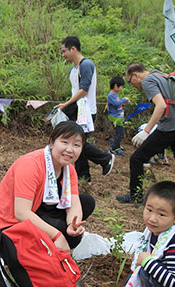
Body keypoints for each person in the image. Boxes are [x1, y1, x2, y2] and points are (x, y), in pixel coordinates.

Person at [0, 121, 95, 252]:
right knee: (63, 234)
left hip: (42, 210)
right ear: (51, 142)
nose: (70, 149)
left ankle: (50, 245)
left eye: (76, 145)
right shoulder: (31, 164)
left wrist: (72, 225)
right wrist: (58, 235)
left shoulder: (69, 170)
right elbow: (21, 212)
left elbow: (73, 204)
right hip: (14, 220)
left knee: (86, 203)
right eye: (64, 142)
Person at [116, 63, 175, 215]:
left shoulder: (148, 81)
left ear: (135, 75)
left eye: (130, 81)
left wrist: (146, 131)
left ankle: (136, 196)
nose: (132, 85)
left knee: (137, 158)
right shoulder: (161, 75)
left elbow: (160, 106)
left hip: (170, 127)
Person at [56, 36, 114, 183]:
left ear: (73, 49)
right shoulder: (73, 69)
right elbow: (76, 91)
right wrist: (67, 105)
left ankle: (105, 158)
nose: (63, 55)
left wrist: (66, 104)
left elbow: (84, 90)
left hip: (86, 113)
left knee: (77, 143)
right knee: (76, 143)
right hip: (77, 111)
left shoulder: (86, 65)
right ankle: (83, 178)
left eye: (64, 51)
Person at [107, 76, 130, 156]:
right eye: (121, 86)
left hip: (119, 118)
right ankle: (113, 149)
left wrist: (124, 103)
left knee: (120, 133)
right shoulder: (111, 95)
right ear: (116, 86)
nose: (121, 88)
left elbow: (117, 104)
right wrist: (124, 99)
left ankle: (116, 146)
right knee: (120, 133)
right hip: (115, 118)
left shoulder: (115, 95)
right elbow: (117, 103)